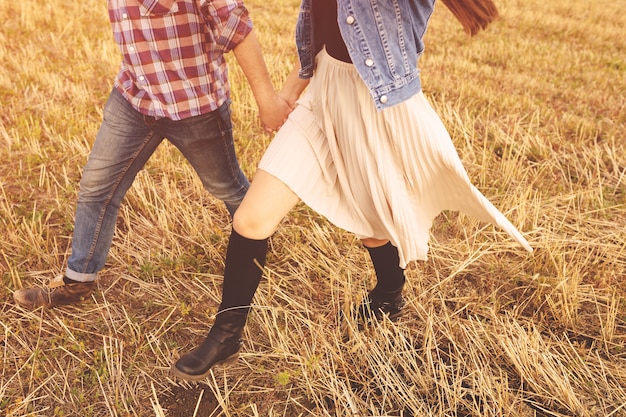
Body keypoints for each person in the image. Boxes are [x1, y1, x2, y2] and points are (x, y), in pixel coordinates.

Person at [170, 0, 534, 381]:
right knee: (250, 219)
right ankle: (227, 335)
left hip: (376, 103)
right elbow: (327, 29)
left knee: (373, 223)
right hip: (322, 94)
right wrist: (292, 88)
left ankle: (390, 293)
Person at [12, 0, 292, 310]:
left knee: (226, 186)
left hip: (193, 105)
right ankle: (78, 280)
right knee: (97, 188)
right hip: (134, 97)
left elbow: (236, 26)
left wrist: (267, 99)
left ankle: (258, 237)